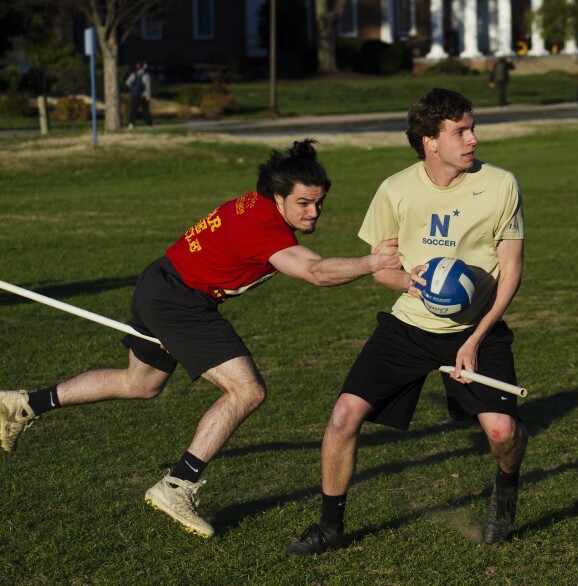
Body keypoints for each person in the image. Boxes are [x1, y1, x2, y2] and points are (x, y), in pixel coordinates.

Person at [0, 139, 401, 539]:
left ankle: (24, 404)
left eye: (319, 203)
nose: (314, 213)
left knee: (139, 383)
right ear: (277, 197)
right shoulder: (264, 226)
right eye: (303, 204)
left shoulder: (256, 203)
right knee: (247, 391)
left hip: (160, 281)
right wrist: (370, 263)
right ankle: (177, 486)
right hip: (180, 301)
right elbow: (313, 272)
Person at [286, 88, 528, 555]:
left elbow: (512, 272)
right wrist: (411, 284)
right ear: (429, 141)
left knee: (503, 433)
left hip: (476, 330)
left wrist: (475, 338)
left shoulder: (500, 185)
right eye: (460, 131)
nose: (473, 138)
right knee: (342, 417)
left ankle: (506, 488)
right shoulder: (395, 189)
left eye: (471, 127)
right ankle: (330, 527)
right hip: (409, 327)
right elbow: (383, 269)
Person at [126, 62, 153, 129]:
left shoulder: (134, 74)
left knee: (133, 109)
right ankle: (148, 124)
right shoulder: (146, 75)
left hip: (135, 95)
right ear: (144, 66)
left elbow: (127, 82)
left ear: (138, 66)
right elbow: (148, 86)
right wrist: (148, 95)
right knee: (145, 110)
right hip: (143, 95)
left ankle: (131, 123)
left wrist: (133, 89)